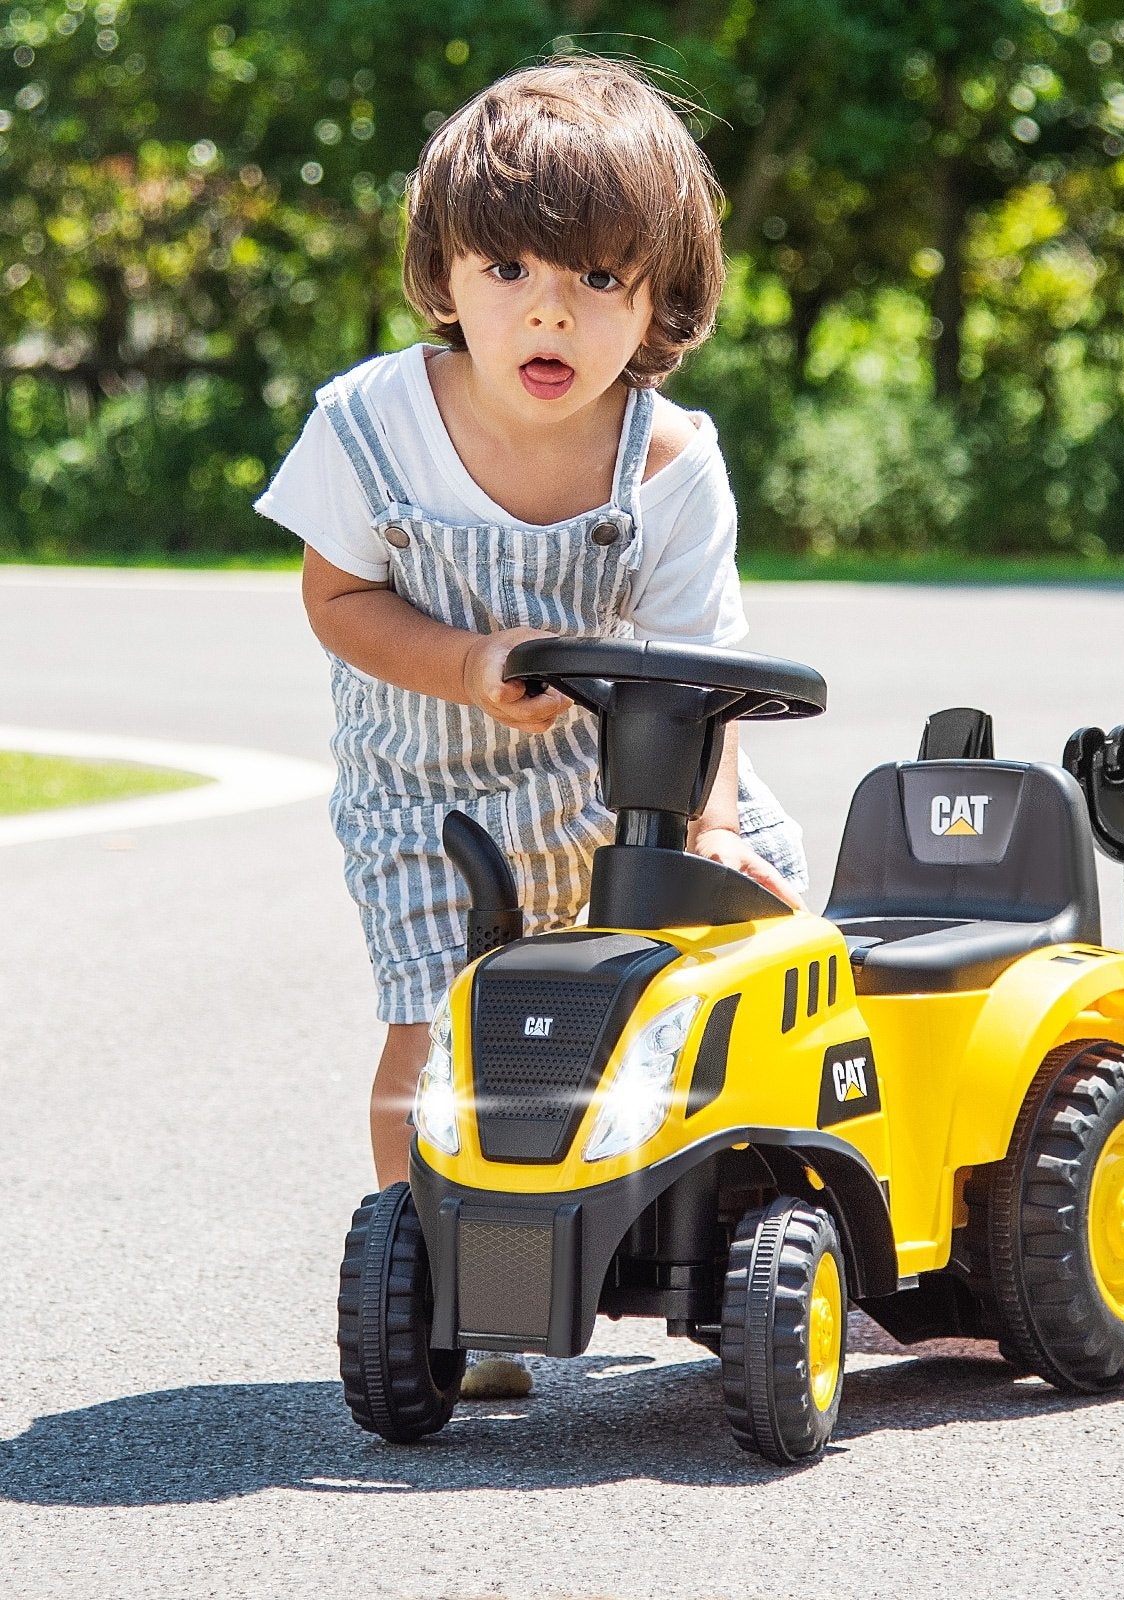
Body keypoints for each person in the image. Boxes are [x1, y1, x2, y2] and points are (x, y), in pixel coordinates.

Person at [255, 58, 806, 1395]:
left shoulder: (669, 463)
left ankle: (754, 1225)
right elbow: (334, 599)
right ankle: (451, 1289)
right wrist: (460, 660)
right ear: (444, 275)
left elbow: (704, 674)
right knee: (436, 1023)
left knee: (754, 953)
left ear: (661, 299)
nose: (547, 309)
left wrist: (716, 825)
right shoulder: (370, 426)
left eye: (598, 278)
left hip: (620, 776)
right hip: (424, 788)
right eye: (507, 270)